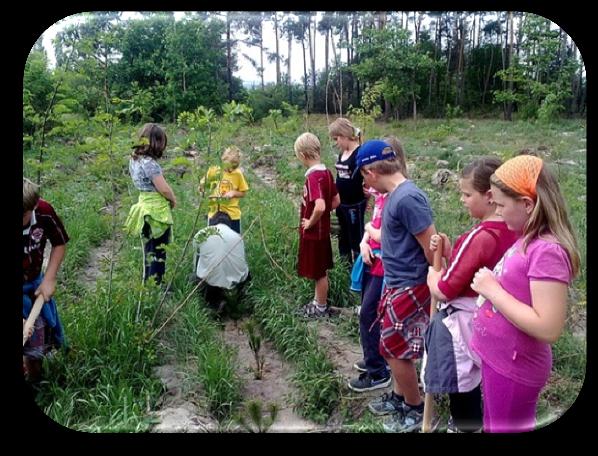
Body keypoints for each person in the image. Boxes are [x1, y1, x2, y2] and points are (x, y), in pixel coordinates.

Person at [470, 155, 580, 433]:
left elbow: (548, 327)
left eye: (501, 204)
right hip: (500, 360)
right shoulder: (527, 237)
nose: (496, 210)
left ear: (527, 205)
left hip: (514, 368)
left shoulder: (548, 251)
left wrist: (492, 290)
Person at [423, 157, 518, 433]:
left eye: (467, 194)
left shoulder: (481, 235)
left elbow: (444, 289)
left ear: (490, 196)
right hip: (493, 319)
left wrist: (433, 275)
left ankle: (464, 426)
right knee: (479, 379)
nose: (462, 200)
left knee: (462, 381)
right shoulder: (513, 231)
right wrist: (451, 251)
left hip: (463, 323)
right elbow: (473, 271)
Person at [354, 139, 437, 433]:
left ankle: (415, 408)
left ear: (370, 172)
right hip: (395, 279)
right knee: (390, 345)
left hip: (411, 284)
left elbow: (431, 247)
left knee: (395, 349)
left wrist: (427, 283)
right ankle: (401, 398)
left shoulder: (407, 198)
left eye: (362, 174)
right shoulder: (394, 196)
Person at [348, 136, 409, 393]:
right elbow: (373, 221)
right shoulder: (382, 195)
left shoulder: (400, 198)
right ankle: (374, 357)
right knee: (368, 311)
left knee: (370, 314)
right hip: (372, 259)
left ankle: (377, 371)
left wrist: (369, 233)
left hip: (386, 266)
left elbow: (387, 234)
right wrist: (364, 241)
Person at [22, 177, 69, 383]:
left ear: (32, 207)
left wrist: (49, 279)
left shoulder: (44, 212)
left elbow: (59, 243)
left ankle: (36, 382)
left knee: (35, 339)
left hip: (33, 283)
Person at [294, 132, 340, 318]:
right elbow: (336, 201)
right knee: (320, 269)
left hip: (314, 234)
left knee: (318, 272)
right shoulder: (327, 173)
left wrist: (310, 222)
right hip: (323, 232)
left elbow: (320, 206)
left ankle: (320, 307)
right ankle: (317, 302)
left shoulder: (313, 177)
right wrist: (321, 217)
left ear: (303, 155)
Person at [124, 123, 176, 285]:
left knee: (149, 248)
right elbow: (164, 189)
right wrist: (173, 199)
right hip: (155, 211)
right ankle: (156, 284)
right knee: (159, 249)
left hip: (143, 207)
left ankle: (148, 281)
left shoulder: (134, 159)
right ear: (156, 143)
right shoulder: (150, 164)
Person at [193, 211, 250, 314]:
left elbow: (196, 264)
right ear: (229, 224)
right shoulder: (237, 236)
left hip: (211, 281)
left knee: (201, 277)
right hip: (236, 280)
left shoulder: (202, 234)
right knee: (246, 273)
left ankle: (215, 304)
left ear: (212, 222)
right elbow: (242, 262)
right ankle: (241, 299)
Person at [328, 118, 367, 266]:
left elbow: (367, 176)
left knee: (356, 237)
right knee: (342, 235)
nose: (336, 143)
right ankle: (345, 268)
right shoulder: (342, 154)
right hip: (341, 203)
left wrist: (367, 193)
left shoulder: (359, 153)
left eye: (336, 138)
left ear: (344, 135)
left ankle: (359, 271)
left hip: (355, 204)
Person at [200, 146, 249, 234]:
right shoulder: (213, 171)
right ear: (223, 161)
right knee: (212, 239)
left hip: (232, 215)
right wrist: (203, 191)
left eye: (233, 168)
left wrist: (233, 193)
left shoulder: (238, 174)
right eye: (228, 167)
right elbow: (203, 186)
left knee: (234, 241)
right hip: (214, 213)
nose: (230, 170)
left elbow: (243, 193)